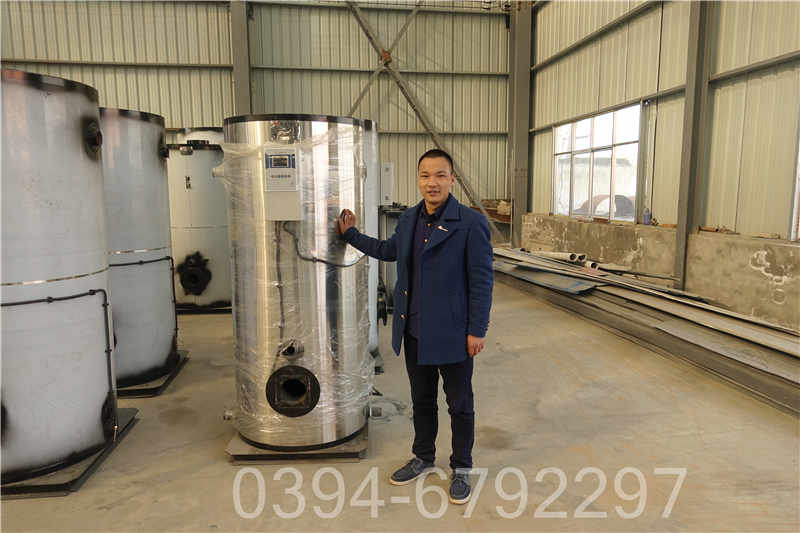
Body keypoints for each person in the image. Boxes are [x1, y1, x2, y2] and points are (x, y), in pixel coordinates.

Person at [338, 148, 493, 505]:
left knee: (459, 404)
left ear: (452, 180)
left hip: (454, 334)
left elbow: (482, 281)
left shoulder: (470, 223)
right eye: (425, 175)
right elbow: (388, 250)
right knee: (422, 401)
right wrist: (351, 235)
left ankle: (462, 467)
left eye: (440, 175)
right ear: (418, 179)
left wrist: (477, 329)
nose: (432, 182)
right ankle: (423, 456)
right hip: (415, 332)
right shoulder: (409, 219)